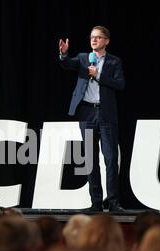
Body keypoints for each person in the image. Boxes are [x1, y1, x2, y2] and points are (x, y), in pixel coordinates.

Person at [59, 26, 125, 212]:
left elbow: (120, 85)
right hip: (87, 113)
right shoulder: (83, 58)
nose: (94, 40)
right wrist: (63, 55)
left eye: (98, 37)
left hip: (106, 113)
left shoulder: (114, 62)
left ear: (106, 41)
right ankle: (96, 202)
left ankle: (113, 202)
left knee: (111, 158)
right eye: (91, 37)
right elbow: (67, 64)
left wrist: (99, 75)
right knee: (90, 158)